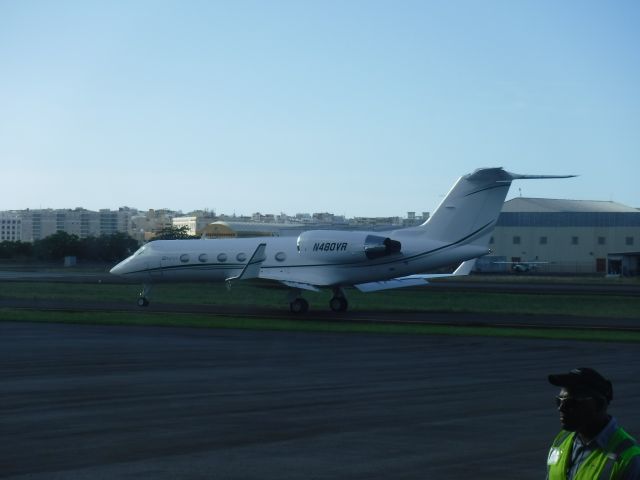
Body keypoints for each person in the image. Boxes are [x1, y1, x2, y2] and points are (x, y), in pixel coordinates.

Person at [546, 367, 640, 479]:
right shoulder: (561, 440)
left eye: (570, 403)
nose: (561, 408)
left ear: (599, 405)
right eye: (559, 401)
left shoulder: (628, 458)